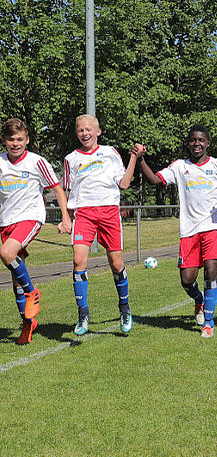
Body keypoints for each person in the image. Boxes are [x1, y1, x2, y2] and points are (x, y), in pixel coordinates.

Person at [134, 125, 217, 337]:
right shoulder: (179, 166)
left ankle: (209, 322)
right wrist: (140, 159)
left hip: (212, 226)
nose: (197, 144)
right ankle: (199, 300)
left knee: (211, 272)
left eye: (201, 140)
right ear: (188, 143)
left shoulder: (216, 164)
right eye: (193, 140)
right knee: (187, 280)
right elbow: (155, 180)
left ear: (207, 143)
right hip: (188, 230)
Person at [63, 115, 140, 335]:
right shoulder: (71, 159)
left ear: (98, 131)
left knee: (116, 263)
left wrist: (134, 157)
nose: (84, 133)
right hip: (84, 213)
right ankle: (83, 315)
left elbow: (124, 183)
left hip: (108, 211)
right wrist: (66, 218)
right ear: (76, 134)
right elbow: (69, 191)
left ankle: (124, 308)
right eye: (80, 130)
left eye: (88, 129)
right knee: (78, 260)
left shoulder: (110, 153)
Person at [1, 118, 72, 344]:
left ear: (27, 140)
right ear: (4, 141)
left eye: (20, 139)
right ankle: (27, 323)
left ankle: (32, 292)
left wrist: (65, 217)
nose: (15, 143)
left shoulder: (36, 162)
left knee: (6, 253)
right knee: (15, 278)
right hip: (5, 221)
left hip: (30, 217)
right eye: (11, 139)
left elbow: (57, 189)